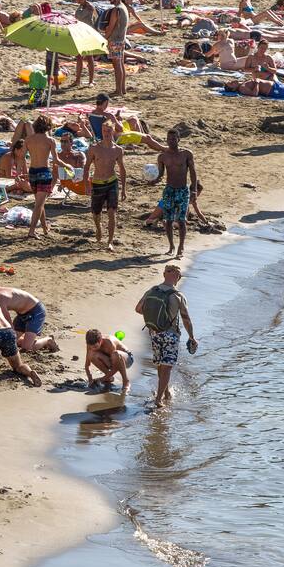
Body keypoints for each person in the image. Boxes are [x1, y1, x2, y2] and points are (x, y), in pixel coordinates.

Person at [135, 264, 195, 409]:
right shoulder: (178, 296)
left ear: (164, 275)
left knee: (161, 364)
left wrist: (155, 316)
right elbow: (186, 318)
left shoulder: (152, 291)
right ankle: (158, 399)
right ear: (178, 278)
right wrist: (192, 337)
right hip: (171, 334)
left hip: (154, 332)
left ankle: (166, 391)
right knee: (167, 366)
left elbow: (138, 309)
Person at [154, 128, 198, 259]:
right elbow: (161, 174)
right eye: (169, 139)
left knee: (182, 220)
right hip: (169, 190)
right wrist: (154, 180)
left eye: (173, 139)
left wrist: (194, 190)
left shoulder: (186, 154)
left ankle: (181, 247)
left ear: (178, 139)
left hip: (183, 190)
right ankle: (171, 246)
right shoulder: (162, 156)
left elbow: (193, 172)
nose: (171, 141)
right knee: (168, 220)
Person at [84, 120, 127, 250]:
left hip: (112, 182)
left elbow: (122, 169)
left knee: (112, 212)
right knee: (96, 213)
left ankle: (110, 241)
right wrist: (87, 185)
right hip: (97, 183)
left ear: (113, 131)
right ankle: (98, 228)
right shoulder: (94, 148)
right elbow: (86, 168)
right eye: (104, 131)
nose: (106, 133)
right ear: (101, 132)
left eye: (109, 131)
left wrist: (124, 189)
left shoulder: (118, 150)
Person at [22, 115, 62, 238]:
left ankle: (45, 228)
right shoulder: (50, 140)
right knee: (39, 204)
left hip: (32, 171)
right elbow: (56, 160)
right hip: (44, 172)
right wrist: (67, 166)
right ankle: (32, 231)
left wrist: (22, 170)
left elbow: (22, 156)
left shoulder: (28, 139)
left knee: (40, 202)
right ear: (48, 126)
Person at [0, 286, 57, 352]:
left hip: (36, 311)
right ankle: (27, 338)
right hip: (22, 314)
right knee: (9, 342)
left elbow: (9, 325)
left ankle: (47, 340)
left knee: (26, 348)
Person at [104, 0, 129, 97]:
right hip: (121, 39)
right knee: (121, 64)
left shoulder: (116, 10)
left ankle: (118, 90)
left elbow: (111, 27)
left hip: (115, 40)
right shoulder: (124, 8)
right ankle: (122, 89)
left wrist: (105, 38)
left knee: (117, 65)